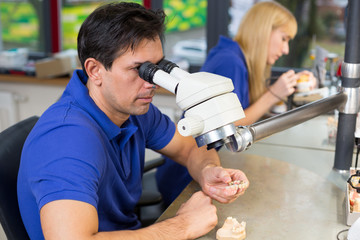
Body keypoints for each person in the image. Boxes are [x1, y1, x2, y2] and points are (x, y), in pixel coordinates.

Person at [17, 2, 249, 240]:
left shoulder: (133, 110)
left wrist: (208, 171)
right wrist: (183, 226)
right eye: (139, 69)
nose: (153, 83)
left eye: (157, 68)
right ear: (95, 70)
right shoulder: (66, 139)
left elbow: (190, 148)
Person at [156, 1, 316, 206]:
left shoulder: (239, 59)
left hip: (206, 166)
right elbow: (230, 124)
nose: (286, 49)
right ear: (263, 31)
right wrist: (273, 94)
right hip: (186, 176)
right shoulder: (229, 61)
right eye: (284, 39)